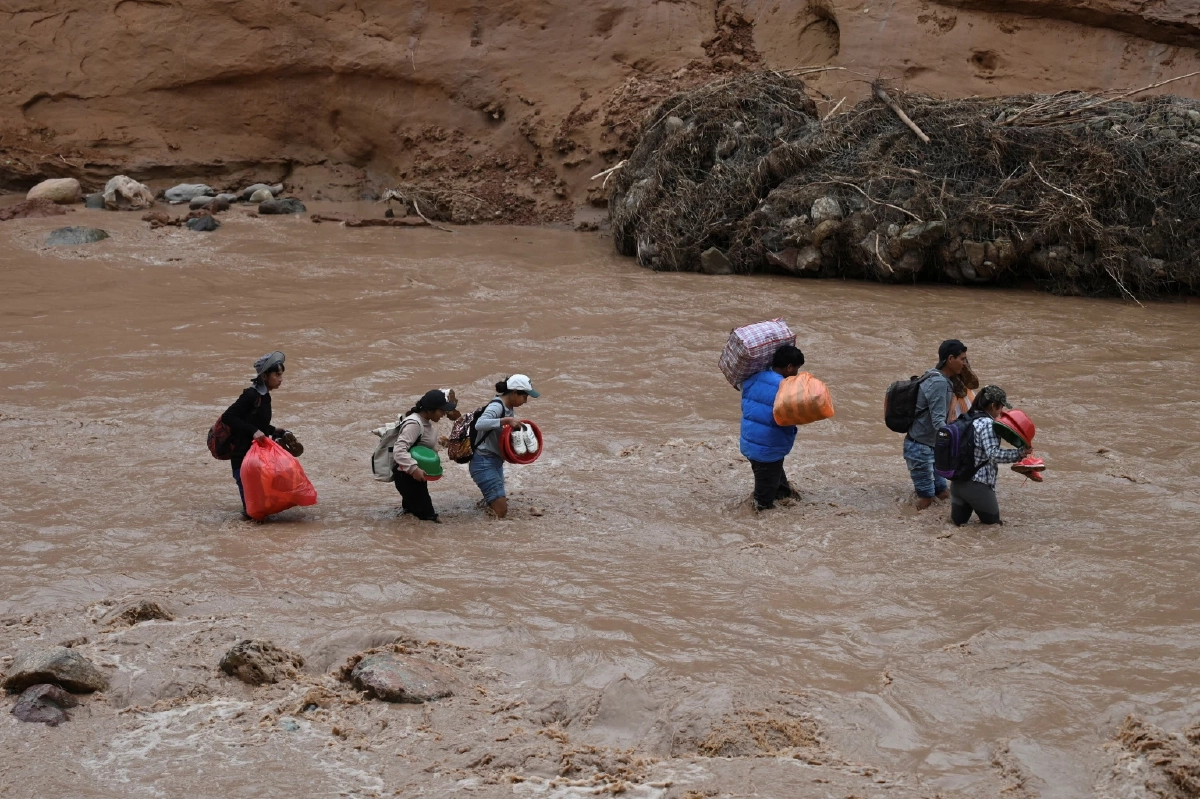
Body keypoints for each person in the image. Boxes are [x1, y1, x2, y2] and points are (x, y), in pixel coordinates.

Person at [221, 351, 289, 519]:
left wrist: (273, 431)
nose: (281, 379)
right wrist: (253, 431)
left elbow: (257, 424)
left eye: (281, 375)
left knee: (263, 507)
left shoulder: (265, 397)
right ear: (265, 376)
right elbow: (228, 416)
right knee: (252, 512)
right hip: (242, 456)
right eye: (277, 375)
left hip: (257, 456)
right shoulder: (250, 395)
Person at [951, 385, 1029, 526]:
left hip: (957, 484)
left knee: (958, 526)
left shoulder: (966, 418)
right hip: (977, 487)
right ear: (993, 406)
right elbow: (994, 454)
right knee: (993, 528)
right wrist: (1020, 453)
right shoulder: (987, 424)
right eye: (1000, 408)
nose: (1001, 412)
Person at [906, 339, 969, 510]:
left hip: (930, 447)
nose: (964, 363)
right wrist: (960, 441)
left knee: (943, 494)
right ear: (950, 359)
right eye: (962, 359)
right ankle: (912, 525)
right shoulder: (939, 383)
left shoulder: (936, 376)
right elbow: (938, 422)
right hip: (920, 449)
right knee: (926, 500)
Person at [740, 345, 805, 511]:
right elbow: (792, 416)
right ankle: (759, 529)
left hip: (752, 442)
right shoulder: (786, 388)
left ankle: (784, 495)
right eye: (797, 368)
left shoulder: (753, 378)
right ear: (789, 367)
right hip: (767, 448)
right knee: (763, 503)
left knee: (778, 484)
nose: (797, 372)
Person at [470, 374, 539, 519]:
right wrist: (505, 420)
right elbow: (480, 424)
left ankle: (482, 511)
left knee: (495, 505)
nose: (525, 401)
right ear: (514, 393)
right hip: (484, 461)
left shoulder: (508, 407)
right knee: (501, 512)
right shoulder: (497, 406)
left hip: (494, 461)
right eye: (525, 397)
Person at [392, 389, 458, 523]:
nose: (444, 414)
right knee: (430, 521)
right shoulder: (414, 424)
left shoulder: (424, 422)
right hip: (408, 477)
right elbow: (399, 450)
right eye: (441, 410)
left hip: (413, 477)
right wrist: (413, 469)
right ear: (429, 410)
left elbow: (422, 444)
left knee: (412, 515)